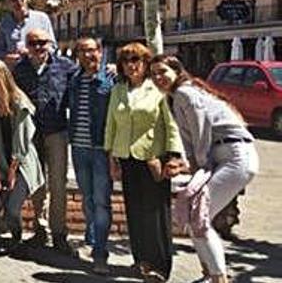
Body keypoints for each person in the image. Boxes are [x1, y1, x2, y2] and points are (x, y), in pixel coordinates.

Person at [149, 54, 259, 283]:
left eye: (162, 72)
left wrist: (197, 165)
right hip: (229, 157)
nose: (158, 78)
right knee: (196, 218)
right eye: (154, 74)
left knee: (199, 218)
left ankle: (218, 277)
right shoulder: (181, 94)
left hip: (234, 157)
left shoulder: (184, 93)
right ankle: (211, 272)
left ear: (177, 71)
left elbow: (201, 134)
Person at [105, 43, 184, 283]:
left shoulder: (157, 90)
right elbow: (112, 124)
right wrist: (111, 157)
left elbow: (171, 126)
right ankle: (141, 260)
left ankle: (161, 265)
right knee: (135, 212)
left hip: (152, 159)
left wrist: (173, 157)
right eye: (127, 61)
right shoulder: (118, 90)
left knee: (156, 214)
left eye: (136, 60)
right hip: (126, 158)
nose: (131, 65)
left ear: (146, 63)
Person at [12, 28, 77, 254]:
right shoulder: (19, 70)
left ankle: (59, 234)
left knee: (58, 184)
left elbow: (85, 81)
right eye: (33, 43)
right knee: (36, 183)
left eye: (42, 42)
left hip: (57, 131)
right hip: (31, 135)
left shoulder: (66, 67)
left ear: (49, 43)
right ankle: (40, 231)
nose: (38, 47)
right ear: (27, 46)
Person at [0, 58, 44, 256]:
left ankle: (16, 238)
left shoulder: (19, 102)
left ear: (5, 76)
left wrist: (12, 172)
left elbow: (22, 142)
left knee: (12, 210)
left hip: (22, 164)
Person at [64, 37, 115, 274]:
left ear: (100, 52)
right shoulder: (73, 79)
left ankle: (100, 253)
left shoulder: (110, 79)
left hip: (101, 149)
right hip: (79, 147)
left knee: (102, 201)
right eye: (82, 51)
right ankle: (91, 237)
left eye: (92, 50)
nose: (88, 55)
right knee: (87, 197)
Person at [0, 0, 56, 68]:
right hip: (15, 72)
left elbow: (53, 47)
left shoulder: (42, 19)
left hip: (39, 71)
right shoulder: (4, 23)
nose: (19, 1)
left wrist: (33, 52)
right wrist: (7, 58)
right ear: (7, 3)